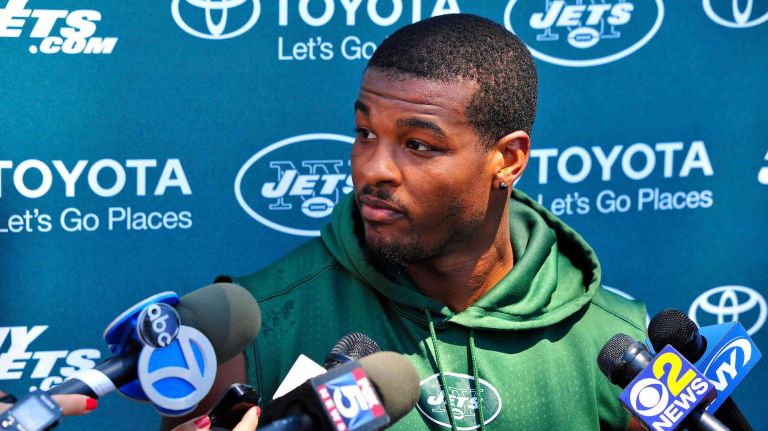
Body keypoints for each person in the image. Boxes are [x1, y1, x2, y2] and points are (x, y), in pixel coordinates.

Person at [166, 13, 646, 431]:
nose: (373, 169)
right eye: (365, 133)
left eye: (418, 144)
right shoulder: (250, 332)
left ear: (508, 159)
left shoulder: (619, 347)